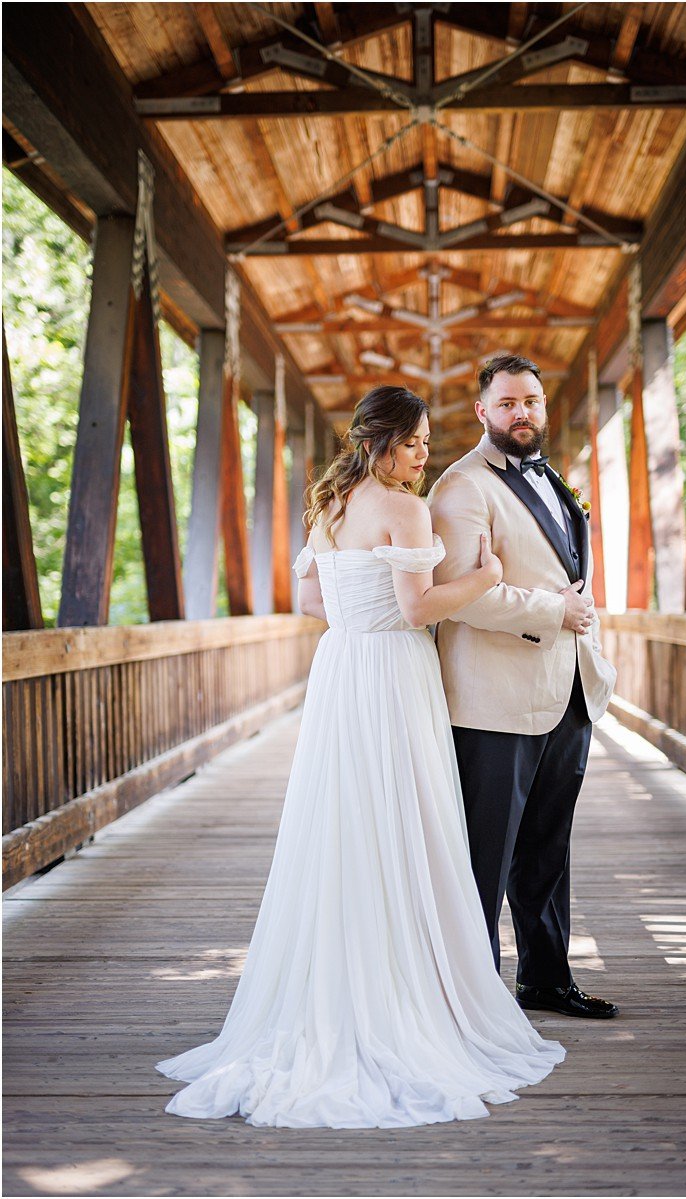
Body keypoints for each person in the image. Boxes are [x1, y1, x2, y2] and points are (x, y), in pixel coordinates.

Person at [158, 385, 565, 1128]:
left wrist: (361, 612)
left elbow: (311, 599)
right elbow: (417, 609)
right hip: (393, 673)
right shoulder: (404, 508)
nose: (422, 455)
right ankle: (402, 995)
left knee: (342, 825)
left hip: (342, 667)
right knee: (403, 821)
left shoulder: (330, 504)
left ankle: (339, 981)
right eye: (413, 443)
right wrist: (483, 577)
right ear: (380, 442)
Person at [428, 354, 619, 1020]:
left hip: (565, 691)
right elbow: (459, 596)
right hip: (493, 699)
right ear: (482, 411)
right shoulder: (460, 488)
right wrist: (553, 612)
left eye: (532, 401)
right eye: (508, 403)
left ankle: (545, 978)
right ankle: (473, 991)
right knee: (486, 851)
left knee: (547, 845)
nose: (523, 413)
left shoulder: (549, 477)